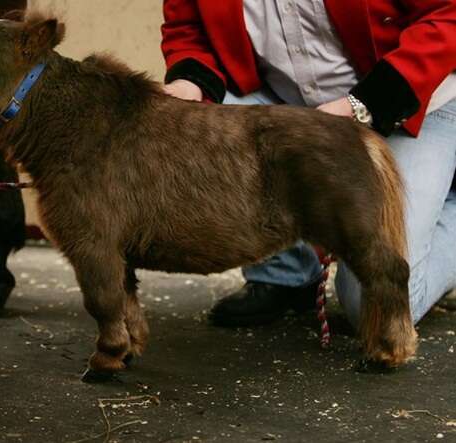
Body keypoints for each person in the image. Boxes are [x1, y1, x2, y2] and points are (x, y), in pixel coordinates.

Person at [161, 0, 456, 329]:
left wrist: (362, 105)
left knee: (372, 305)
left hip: (417, 102)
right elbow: (188, 31)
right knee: (206, 125)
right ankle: (285, 274)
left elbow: (448, 14)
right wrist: (189, 85)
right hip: (294, 107)